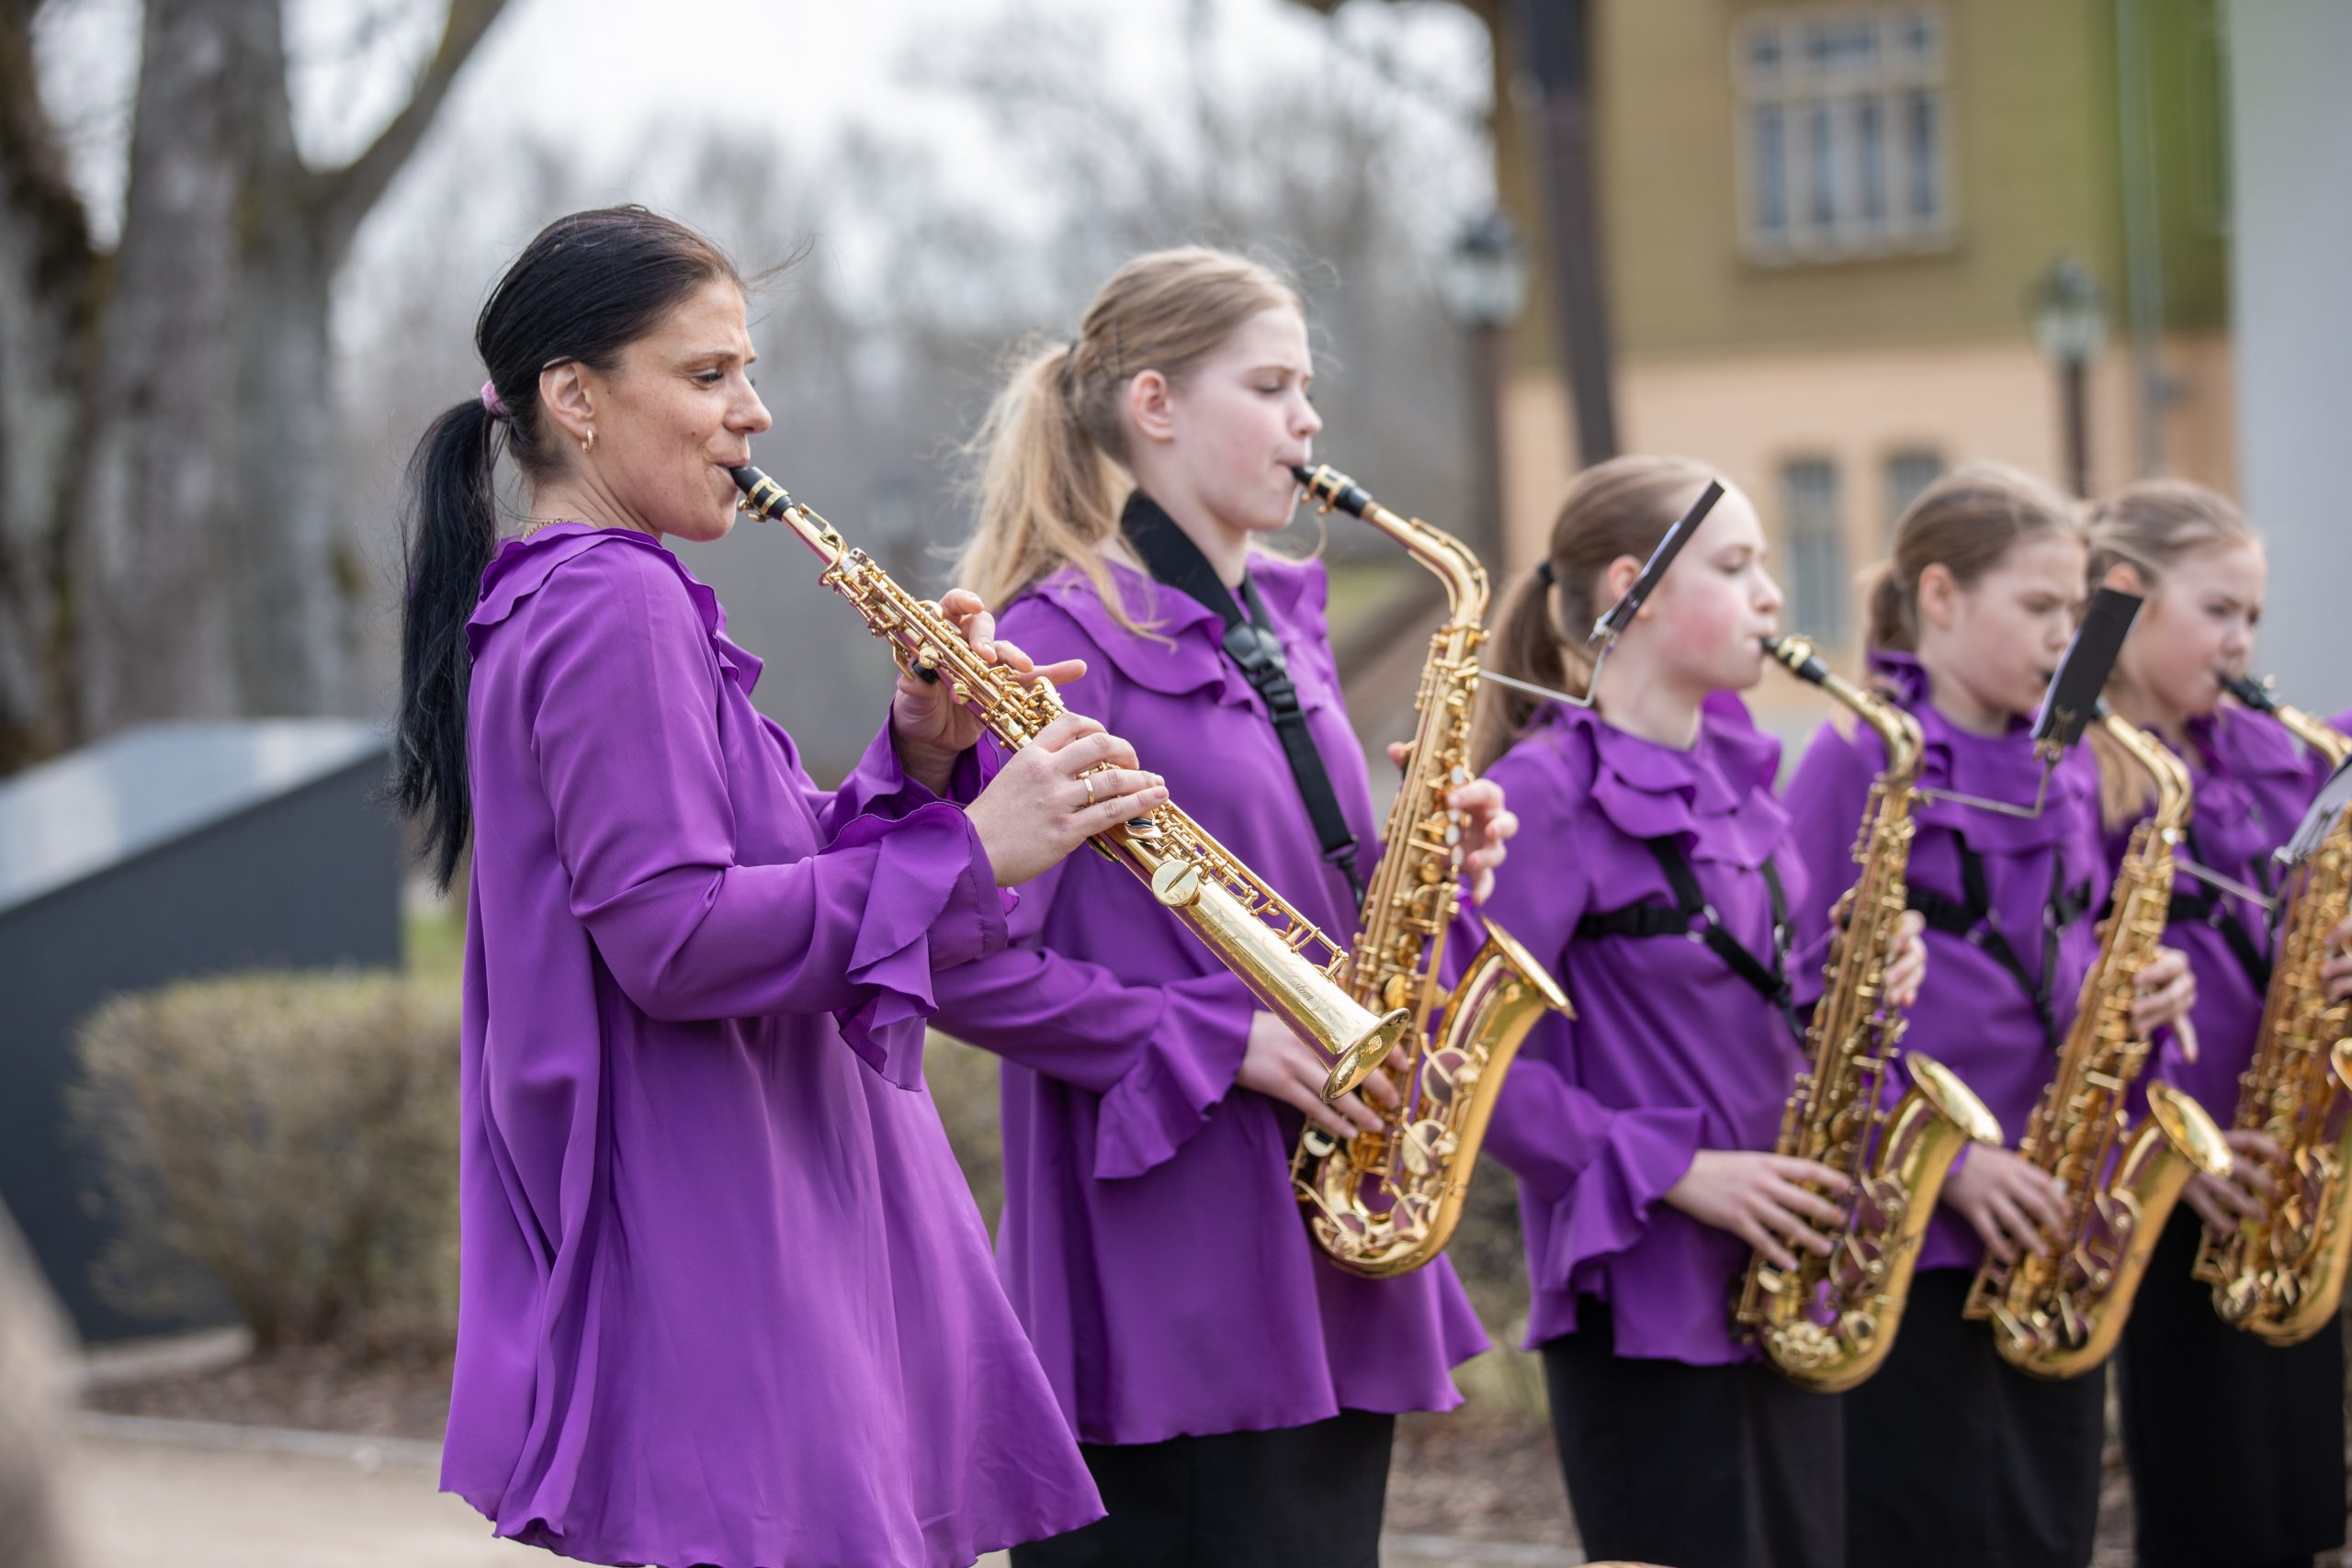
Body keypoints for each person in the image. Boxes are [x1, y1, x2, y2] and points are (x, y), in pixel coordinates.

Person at [393, 206, 1163, 1568]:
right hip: (735, 1227)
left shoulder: (578, 597)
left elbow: (763, 863)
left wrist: (923, 759)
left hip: (730, 1213)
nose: (753, 413)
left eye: (746, 371)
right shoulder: (612, 600)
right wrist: (976, 849)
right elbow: (677, 936)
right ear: (575, 399)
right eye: (708, 375)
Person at [924, 247, 1511, 1568]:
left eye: (1306, 386)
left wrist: (1436, 872)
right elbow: (950, 951)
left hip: (1326, 1236)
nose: (1309, 418)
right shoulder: (1053, 643)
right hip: (1171, 1274)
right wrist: (1214, 1036)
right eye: (1272, 385)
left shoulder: (1281, 628)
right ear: (1156, 404)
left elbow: (1313, 906)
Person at [1464, 454, 1924, 1568]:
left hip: (1778, 1274)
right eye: (1736, 565)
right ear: (1636, 586)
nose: (1772, 593)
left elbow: (1755, 995)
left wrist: (1857, 981)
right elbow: (1460, 1056)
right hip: (1646, 1291)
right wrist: (1673, 1170)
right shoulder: (1540, 793)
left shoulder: (1737, 779)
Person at [1783, 463, 2192, 1568]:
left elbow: (2067, 947)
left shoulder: (2067, 764)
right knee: (1928, 1529)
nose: (2066, 636)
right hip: (1910, 1232)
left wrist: (2139, 987)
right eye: (2039, 606)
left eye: (2075, 610)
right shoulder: (1859, 758)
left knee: (2044, 1531)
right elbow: (1802, 1002)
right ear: (1940, 595)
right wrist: (1950, 1166)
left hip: (2050, 1217)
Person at [2089, 479, 2346, 1568]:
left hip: (2281, 1169)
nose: (2242, 641)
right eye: (2218, 611)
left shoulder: (2268, 751)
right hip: (2169, 1184)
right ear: (2127, 597)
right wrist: (2157, 1153)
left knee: (2297, 1504)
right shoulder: (2083, 769)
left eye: (2252, 615)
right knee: (2210, 1505)